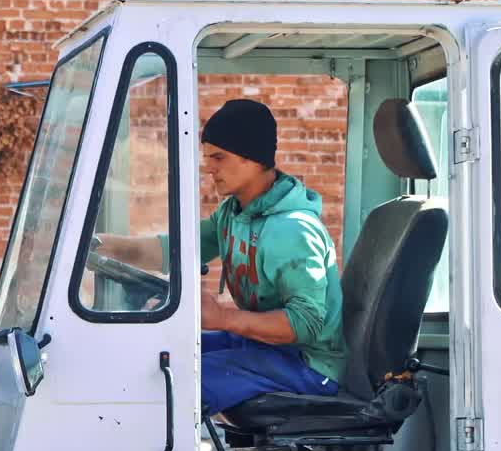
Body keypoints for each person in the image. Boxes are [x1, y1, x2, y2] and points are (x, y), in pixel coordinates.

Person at [96, 98, 346, 413]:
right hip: (265, 347)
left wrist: (223, 318)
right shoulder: (233, 214)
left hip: (309, 367)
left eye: (218, 157)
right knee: (156, 359)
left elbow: (305, 325)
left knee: (169, 386)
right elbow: (172, 252)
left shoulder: (292, 231)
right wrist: (97, 247)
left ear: (253, 159)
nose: (209, 167)